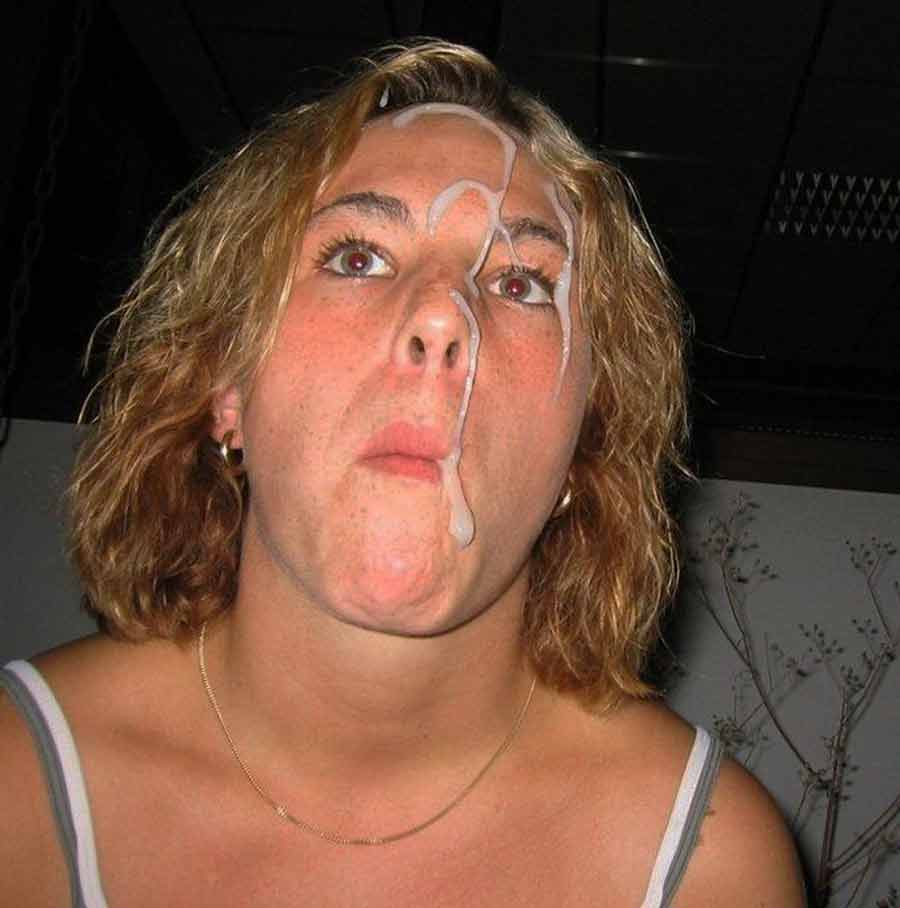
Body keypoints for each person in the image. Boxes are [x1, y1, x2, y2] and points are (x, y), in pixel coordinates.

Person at [0, 40, 806, 906]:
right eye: (358, 257)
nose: (441, 315)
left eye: (521, 283)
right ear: (226, 387)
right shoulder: (19, 790)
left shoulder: (712, 863)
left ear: (584, 441)